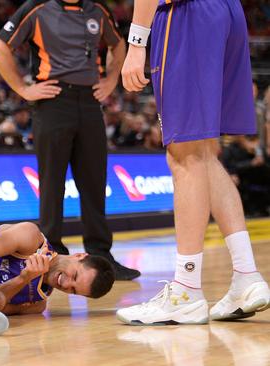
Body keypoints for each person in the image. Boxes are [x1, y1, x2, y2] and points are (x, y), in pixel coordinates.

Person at [116, 0, 270, 325]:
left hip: (187, 15)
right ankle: (246, 275)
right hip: (228, 12)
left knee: (183, 155)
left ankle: (185, 289)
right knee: (202, 152)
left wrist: (136, 43)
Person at [0, 0, 139, 280]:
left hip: (90, 101)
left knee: (94, 181)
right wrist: (23, 88)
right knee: (52, 183)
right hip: (53, 101)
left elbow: (118, 44)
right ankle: (51, 254)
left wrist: (110, 79)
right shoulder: (36, 7)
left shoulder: (98, 8)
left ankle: (101, 254)